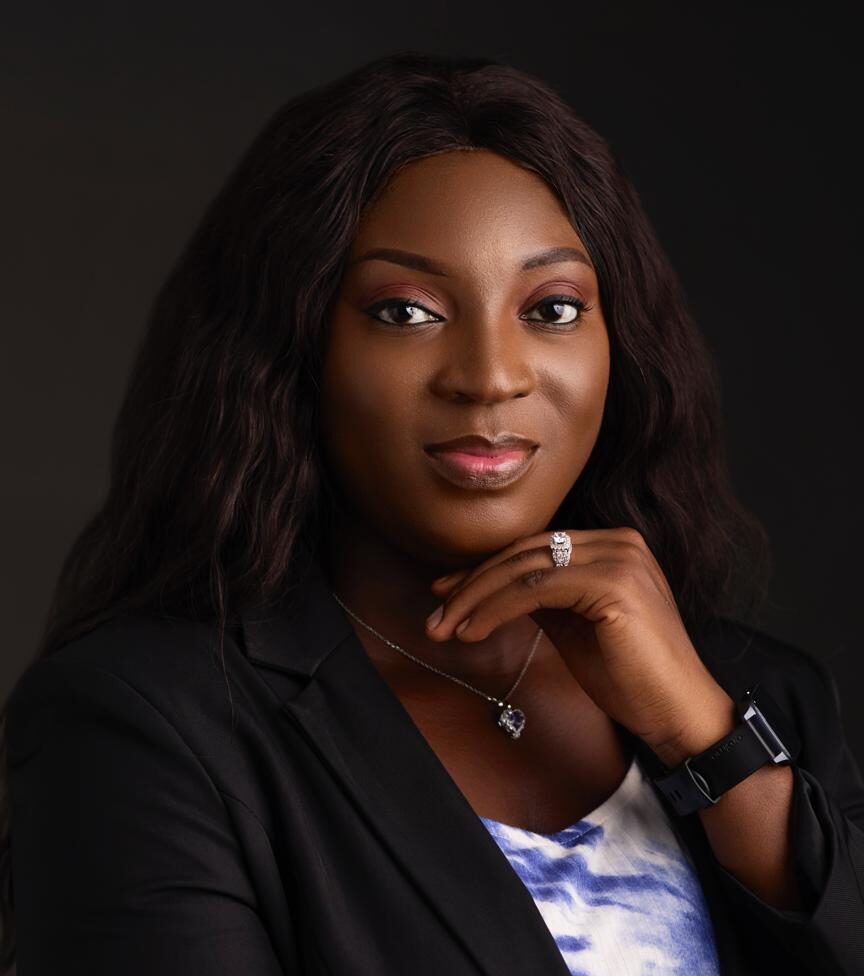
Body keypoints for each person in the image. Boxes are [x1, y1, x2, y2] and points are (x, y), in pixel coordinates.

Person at [1, 50, 862, 976]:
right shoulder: (143, 727)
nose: (489, 377)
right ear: (294, 349)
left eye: (553, 308)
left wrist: (710, 742)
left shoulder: (762, 700)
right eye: (406, 312)